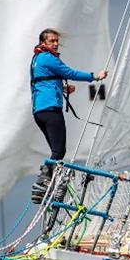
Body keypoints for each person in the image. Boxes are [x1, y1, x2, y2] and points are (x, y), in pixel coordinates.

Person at [30, 28, 107, 203]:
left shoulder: (36, 59)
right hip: (50, 110)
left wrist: (63, 88)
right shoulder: (47, 58)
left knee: (56, 152)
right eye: (52, 41)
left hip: (39, 111)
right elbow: (69, 73)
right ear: (43, 43)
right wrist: (95, 76)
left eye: (57, 41)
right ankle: (42, 184)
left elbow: (40, 83)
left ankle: (44, 186)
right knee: (59, 151)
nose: (56, 44)